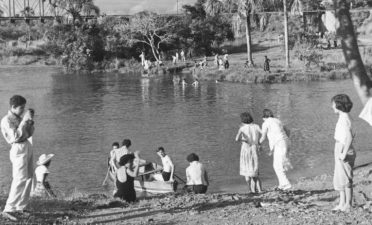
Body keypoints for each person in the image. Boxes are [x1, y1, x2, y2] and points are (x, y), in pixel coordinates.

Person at [1, 95, 34, 221]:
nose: (23, 110)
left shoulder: (20, 117)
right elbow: (15, 137)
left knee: (29, 177)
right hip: (18, 148)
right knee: (19, 178)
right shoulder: (6, 120)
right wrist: (24, 121)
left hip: (27, 144)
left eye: (24, 107)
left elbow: (30, 133)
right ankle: (9, 208)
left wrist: (30, 121)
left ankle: (20, 207)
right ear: (13, 107)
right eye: (21, 107)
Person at [331, 94, 356, 212]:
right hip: (340, 147)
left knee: (346, 179)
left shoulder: (345, 118)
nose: (332, 107)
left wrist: (343, 152)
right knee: (340, 177)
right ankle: (342, 203)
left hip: (344, 149)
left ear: (338, 105)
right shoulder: (344, 117)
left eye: (333, 104)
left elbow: (350, 137)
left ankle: (348, 204)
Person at [259, 109, 292, 191]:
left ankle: (286, 184)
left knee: (278, 166)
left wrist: (256, 143)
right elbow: (288, 130)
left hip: (279, 144)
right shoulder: (278, 120)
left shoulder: (266, 123)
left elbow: (263, 137)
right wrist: (285, 139)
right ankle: (281, 185)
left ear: (264, 117)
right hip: (286, 142)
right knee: (278, 165)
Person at [235, 112, 262, 193]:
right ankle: (260, 190)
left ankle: (250, 190)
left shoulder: (242, 128)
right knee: (255, 169)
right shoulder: (256, 126)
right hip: (254, 148)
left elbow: (236, 139)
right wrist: (259, 143)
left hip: (245, 149)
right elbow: (263, 133)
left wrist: (243, 140)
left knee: (246, 168)